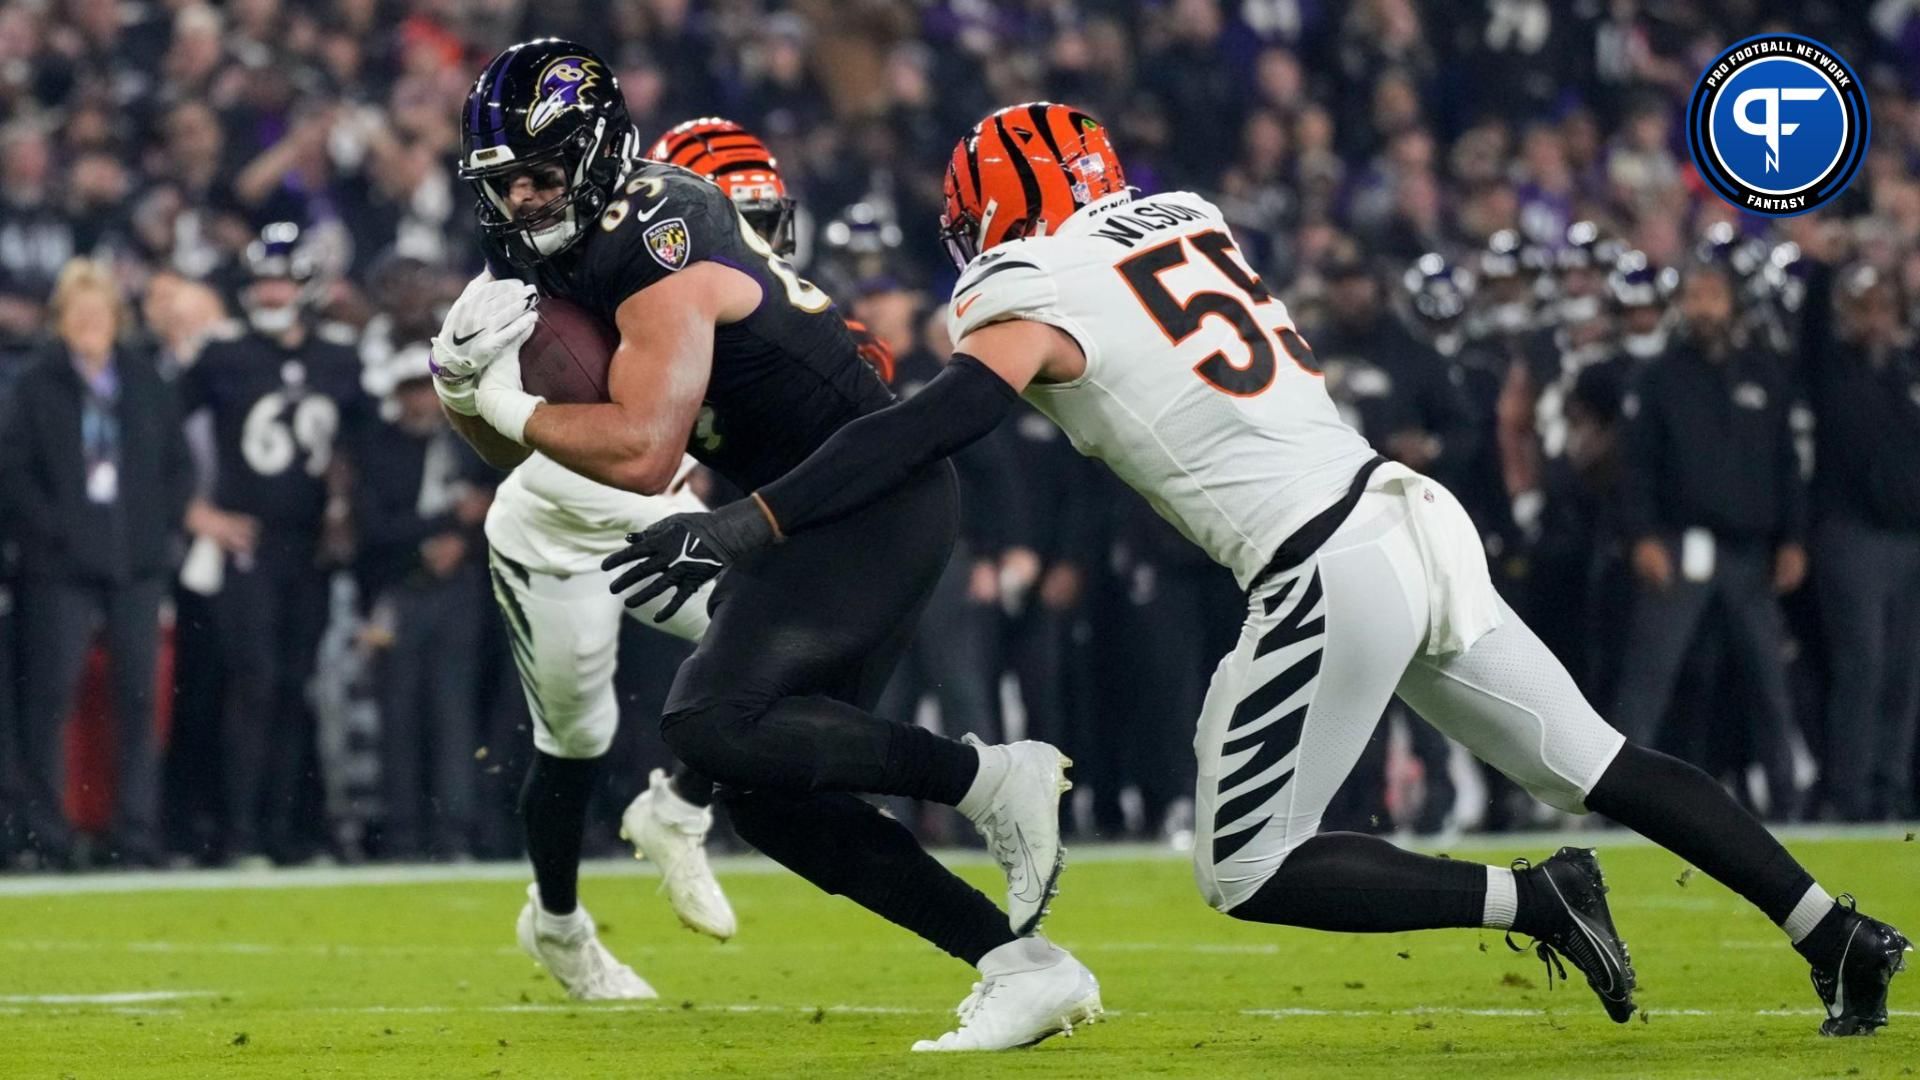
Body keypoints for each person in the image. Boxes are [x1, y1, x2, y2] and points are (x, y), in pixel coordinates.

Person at [612, 102, 1911, 1040]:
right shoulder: (1190, 219)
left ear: (995, 212)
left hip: (1319, 560)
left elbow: (943, 419)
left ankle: (1533, 895)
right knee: (1605, 761)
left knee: (1243, 866)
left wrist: (753, 521)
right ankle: (1828, 929)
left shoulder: (1023, 281)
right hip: (1411, 519)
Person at [437, 41, 1096, 1049]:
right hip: (803, 508)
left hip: (864, 501)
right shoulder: (549, 245)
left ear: (601, 152)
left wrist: (504, 401)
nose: (522, 199)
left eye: (541, 173)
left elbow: (645, 452)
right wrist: (465, 399)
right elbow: (532, 447)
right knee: (772, 801)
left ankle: (987, 782)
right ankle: (1021, 964)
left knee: (707, 723)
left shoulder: (658, 230)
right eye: (505, 181)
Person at [178, 222, 369, 864]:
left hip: (310, 549)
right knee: (252, 683)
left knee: (295, 685)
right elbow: (155, 436)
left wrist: (347, 508)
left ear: (305, 286)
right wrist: (193, 510)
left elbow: (363, 448)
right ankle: (238, 833)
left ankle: (284, 831)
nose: (269, 291)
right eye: (261, 279)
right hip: (246, 544)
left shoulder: (341, 357)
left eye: (280, 279)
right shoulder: (221, 354)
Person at [0, 257, 192, 868]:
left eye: (99, 312)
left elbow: (177, 466)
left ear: (116, 317)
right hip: (57, 570)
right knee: (49, 704)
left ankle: (136, 833)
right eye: (78, 313)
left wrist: (156, 532)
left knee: (138, 703)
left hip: (135, 565)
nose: (89, 323)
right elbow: (15, 475)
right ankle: (47, 835)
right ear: (61, 320)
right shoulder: (34, 384)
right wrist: (55, 536)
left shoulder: (144, 380)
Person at [1610, 264, 1808, 819]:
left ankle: (1787, 798)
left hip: (1749, 553)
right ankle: (1620, 799)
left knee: (1771, 683)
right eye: (1693, 296)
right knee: (1649, 680)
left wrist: (1793, 539)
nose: (1702, 307)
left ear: (1733, 305)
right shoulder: (1659, 376)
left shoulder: (1764, 375)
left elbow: (1786, 465)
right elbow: (1636, 468)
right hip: (1678, 545)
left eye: (1712, 295)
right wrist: (1642, 536)